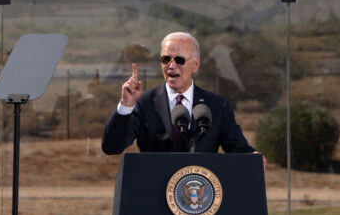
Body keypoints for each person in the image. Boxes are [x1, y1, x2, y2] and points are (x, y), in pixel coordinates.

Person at [101, 32, 261, 157]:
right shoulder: (144, 103)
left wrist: (253, 157)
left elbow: (238, 148)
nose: (171, 66)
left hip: (201, 194)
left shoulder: (216, 105)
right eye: (166, 59)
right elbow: (112, 147)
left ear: (195, 64)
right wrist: (126, 106)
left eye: (179, 60)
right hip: (155, 192)